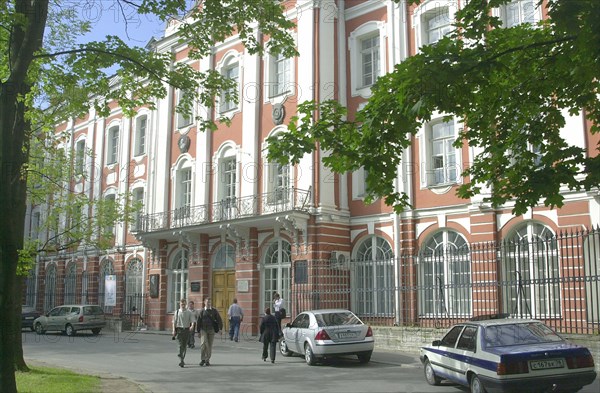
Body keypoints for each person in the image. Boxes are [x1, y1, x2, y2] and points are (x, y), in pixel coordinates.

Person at [196, 297, 223, 366]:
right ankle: (202, 359)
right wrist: (198, 331)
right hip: (203, 330)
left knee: (209, 345)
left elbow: (219, 320)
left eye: (210, 302)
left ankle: (207, 360)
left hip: (211, 330)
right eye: (207, 302)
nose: (209, 303)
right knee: (204, 344)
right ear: (204, 302)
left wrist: (220, 329)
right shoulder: (202, 311)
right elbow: (198, 321)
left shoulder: (214, 311)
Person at [172, 299, 194, 368]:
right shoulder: (177, 312)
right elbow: (174, 322)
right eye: (182, 304)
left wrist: (192, 326)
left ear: (186, 304)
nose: (183, 305)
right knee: (180, 346)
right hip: (179, 330)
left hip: (186, 330)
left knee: (184, 346)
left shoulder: (189, 312)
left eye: (184, 304)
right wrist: (173, 330)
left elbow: (192, 321)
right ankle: (181, 360)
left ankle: (182, 359)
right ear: (180, 304)